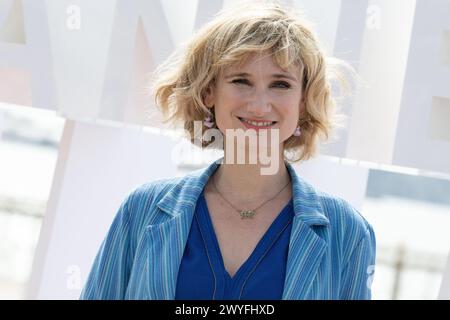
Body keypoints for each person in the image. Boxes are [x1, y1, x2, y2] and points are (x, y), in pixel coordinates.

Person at [80, 1, 376, 300]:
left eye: (281, 84)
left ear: (302, 100)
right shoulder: (142, 210)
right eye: (241, 81)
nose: (260, 104)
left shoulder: (346, 232)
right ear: (209, 91)